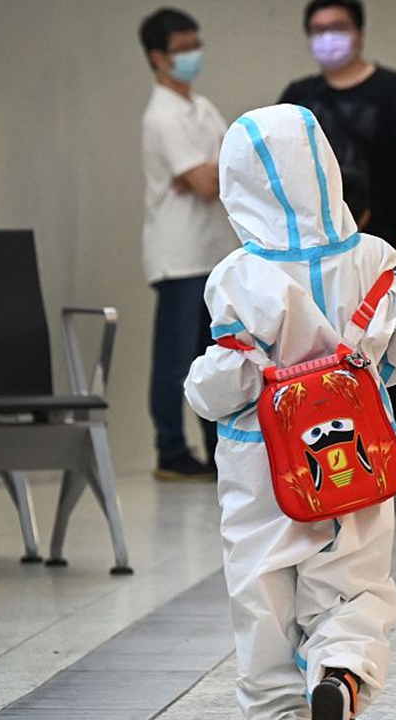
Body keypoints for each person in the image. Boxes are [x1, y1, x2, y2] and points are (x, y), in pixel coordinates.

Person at [184, 104, 396, 720]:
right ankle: (342, 670)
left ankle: (276, 705)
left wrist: (203, 387)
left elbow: (227, 380)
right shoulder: (374, 259)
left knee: (262, 584)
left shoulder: (237, 277)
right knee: (355, 577)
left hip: (260, 459)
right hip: (359, 446)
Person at [279, 0, 396, 478]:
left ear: (359, 33)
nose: (328, 36)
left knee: (384, 335)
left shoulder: (392, 90)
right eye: (318, 29)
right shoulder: (298, 94)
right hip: (315, 241)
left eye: (338, 27)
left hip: (379, 232)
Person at [139, 7, 234, 480]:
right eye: (181, 50)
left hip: (211, 251)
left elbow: (229, 165)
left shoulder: (203, 107)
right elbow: (206, 183)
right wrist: (213, 170)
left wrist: (213, 169)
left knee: (212, 354)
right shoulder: (161, 116)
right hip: (178, 256)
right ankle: (170, 449)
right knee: (175, 358)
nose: (191, 56)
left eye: (195, 45)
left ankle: (216, 446)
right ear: (158, 57)